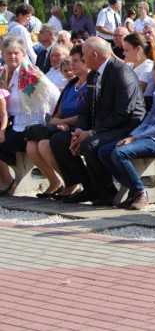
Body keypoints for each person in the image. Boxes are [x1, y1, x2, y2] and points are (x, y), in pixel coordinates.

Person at [49, 37, 146, 206]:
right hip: (104, 126)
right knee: (60, 140)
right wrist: (79, 131)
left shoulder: (121, 72)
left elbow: (124, 112)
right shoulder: (94, 75)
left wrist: (92, 132)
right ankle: (90, 187)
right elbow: (87, 110)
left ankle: (107, 190)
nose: (82, 58)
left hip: (126, 126)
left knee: (90, 144)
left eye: (84, 55)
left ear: (94, 55)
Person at [97, 59, 155, 210]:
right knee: (104, 151)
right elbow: (149, 119)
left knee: (119, 153)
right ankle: (132, 189)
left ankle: (139, 191)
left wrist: (135, 137)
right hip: (147, 137)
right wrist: (131, 136)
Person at [26, 45, 89, 199]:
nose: (72, 64)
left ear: (86, 62)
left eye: (76, 61)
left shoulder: (91, 85)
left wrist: (63, 121)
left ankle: (72, 182)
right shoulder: (71, 85)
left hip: (81, 127)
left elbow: (86, 115)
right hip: (63, 126)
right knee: (32, 145)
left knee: (45, 144)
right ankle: (55, 181)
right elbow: (59, 112)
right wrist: (58, 121)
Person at [0, 35, 59, 197]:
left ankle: (7, 182)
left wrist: (57, 118)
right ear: (3, 54)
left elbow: (53, 94)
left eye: (16, 53)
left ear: (24, 54)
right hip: (12, 124)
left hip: (28, 126)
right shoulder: (4, 73)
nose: (12, 56)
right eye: (9, 53)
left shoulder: (31, 73)